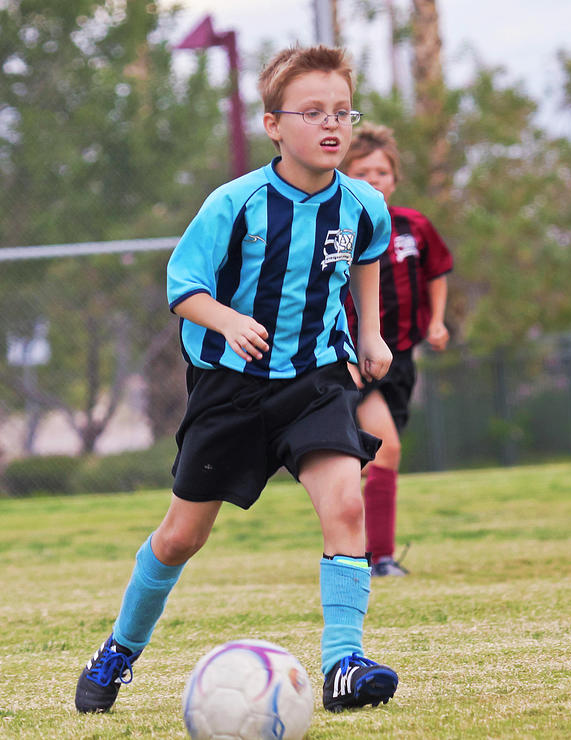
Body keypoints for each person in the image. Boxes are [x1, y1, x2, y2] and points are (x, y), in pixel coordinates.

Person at [74, 45, 399, 716]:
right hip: (230, 388)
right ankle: (120, 650)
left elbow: (366, 259)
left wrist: (369, 333)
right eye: (312, 112)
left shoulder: (365, 205)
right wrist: (226, 321)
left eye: (342, 111)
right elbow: (182, 286)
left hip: (314, 379)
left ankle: (343, 663)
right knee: (180, 537)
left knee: (344, 504)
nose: (331, 124)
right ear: (274, 125)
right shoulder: (236, 203)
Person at [341, 124, 453, 577]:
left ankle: (356, 551)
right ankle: (377, 558)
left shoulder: (414, 226)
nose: (374, 179)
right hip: (352, 357)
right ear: (345, 176)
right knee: (385, 450)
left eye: (382, 172)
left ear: (395, 178)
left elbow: (437, 271)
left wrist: (438, 320)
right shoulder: (339, 226)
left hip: (401, 356)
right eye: (363, 171)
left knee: (373, 457)